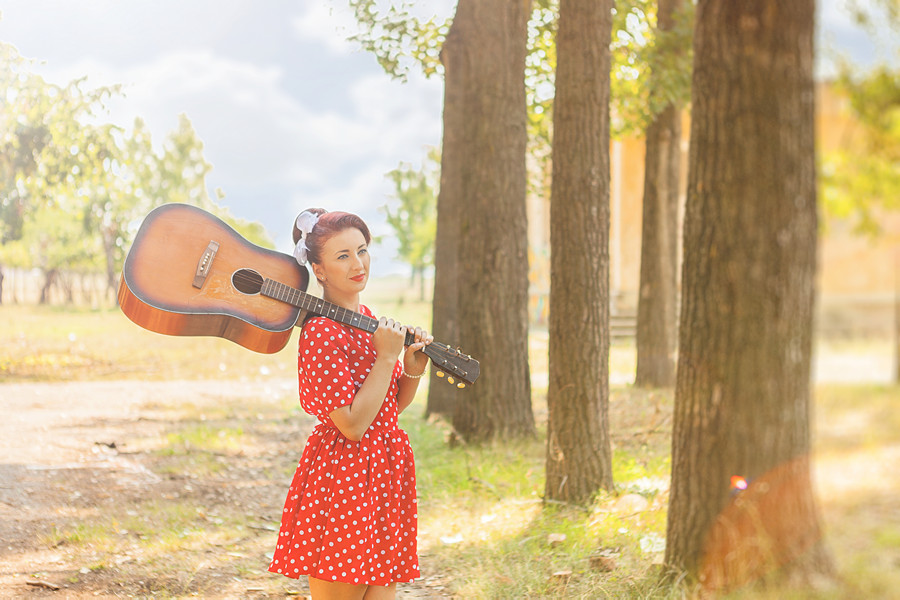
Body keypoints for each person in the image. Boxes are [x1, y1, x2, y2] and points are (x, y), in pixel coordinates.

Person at [268, 208, 432, 600]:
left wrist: (411, 368)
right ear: (319, 270)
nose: (358, 264)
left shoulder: (369, 320)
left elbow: (386, 410)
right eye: (343, 256)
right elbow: (353, 425)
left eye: (362, 250)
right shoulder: (321, 334)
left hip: (384, 474)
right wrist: (387, 357)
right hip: (345, 478)